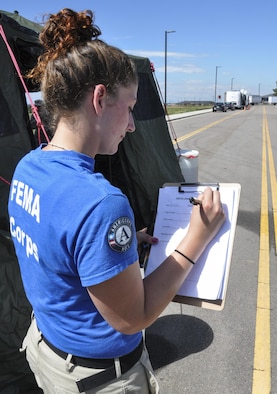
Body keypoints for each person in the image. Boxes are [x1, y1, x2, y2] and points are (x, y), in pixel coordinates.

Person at [8, 8, 225, 394]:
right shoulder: (100, 203)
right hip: (97, 379)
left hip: (47, 351)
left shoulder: (28, 167)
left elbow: (56, 248)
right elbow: (132, 318)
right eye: (129, 107)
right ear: (99, 98)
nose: (131, 124)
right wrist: (198, 236)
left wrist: (113, 253)